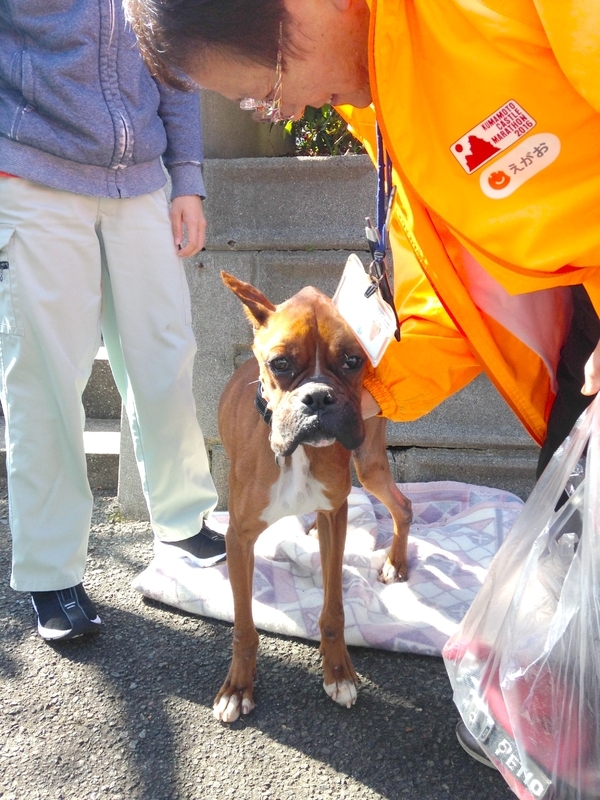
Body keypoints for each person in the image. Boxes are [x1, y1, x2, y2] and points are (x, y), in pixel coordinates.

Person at [124, 0, 600, 766]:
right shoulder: (383, 109)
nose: (283, 114)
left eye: (265, 90)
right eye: (256, 106)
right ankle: (557, 744)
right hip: (581, 352)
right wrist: (366, 394)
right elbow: (442, 293)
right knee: (562, 597)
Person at [0, 0, 227, 643]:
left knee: (165, 349)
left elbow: (174, 52)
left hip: (143, 180)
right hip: (32, 171)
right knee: (44, 374)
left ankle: (182, 521)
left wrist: (187, 176)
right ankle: (50, 570)